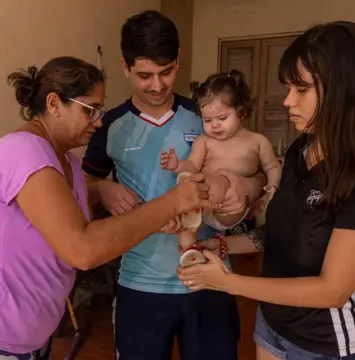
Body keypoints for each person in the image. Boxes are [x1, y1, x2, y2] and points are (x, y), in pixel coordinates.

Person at [0, 56, 212, 360]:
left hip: (29, 337)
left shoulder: (67, 162)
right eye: (90, 110)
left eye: (100, 110)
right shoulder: (23, 152)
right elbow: (83, 248)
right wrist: (173, 202)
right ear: (54, 104)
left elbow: (81, 227)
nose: (99, 121)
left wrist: (145, 217)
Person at [177, 21, 355, 360]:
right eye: (288, 87)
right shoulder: (302, 150)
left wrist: (226, 283)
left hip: (324, 342)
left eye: (301, 89)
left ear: (344, 88)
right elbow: (281, 231)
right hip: (273, 323)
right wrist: (220, 244)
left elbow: (332, 290)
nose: (287, 100)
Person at [83, 10, 266, 360]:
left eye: (166, 72)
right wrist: (102, 188)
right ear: (125, 67)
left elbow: (254, 163)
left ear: (178, 60)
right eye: (145, 75)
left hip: (211, 276)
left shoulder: (205, 115)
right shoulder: (110, 125)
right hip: (140, 284)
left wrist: (251, 183)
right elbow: (84, 182)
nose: (157, 85)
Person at [160, 69, 281, 267]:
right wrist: (177, 165)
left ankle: (188, 206)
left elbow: (272, 166)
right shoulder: (204, 141)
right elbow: (192, 165)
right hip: (203, 204)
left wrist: (272, 187)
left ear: (240, 111)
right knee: (191, 185)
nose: (214, 125)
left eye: (222, 118)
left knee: (220, 180)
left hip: (231, 209)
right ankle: (190, 251)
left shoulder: (257, 141)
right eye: (207, 120)